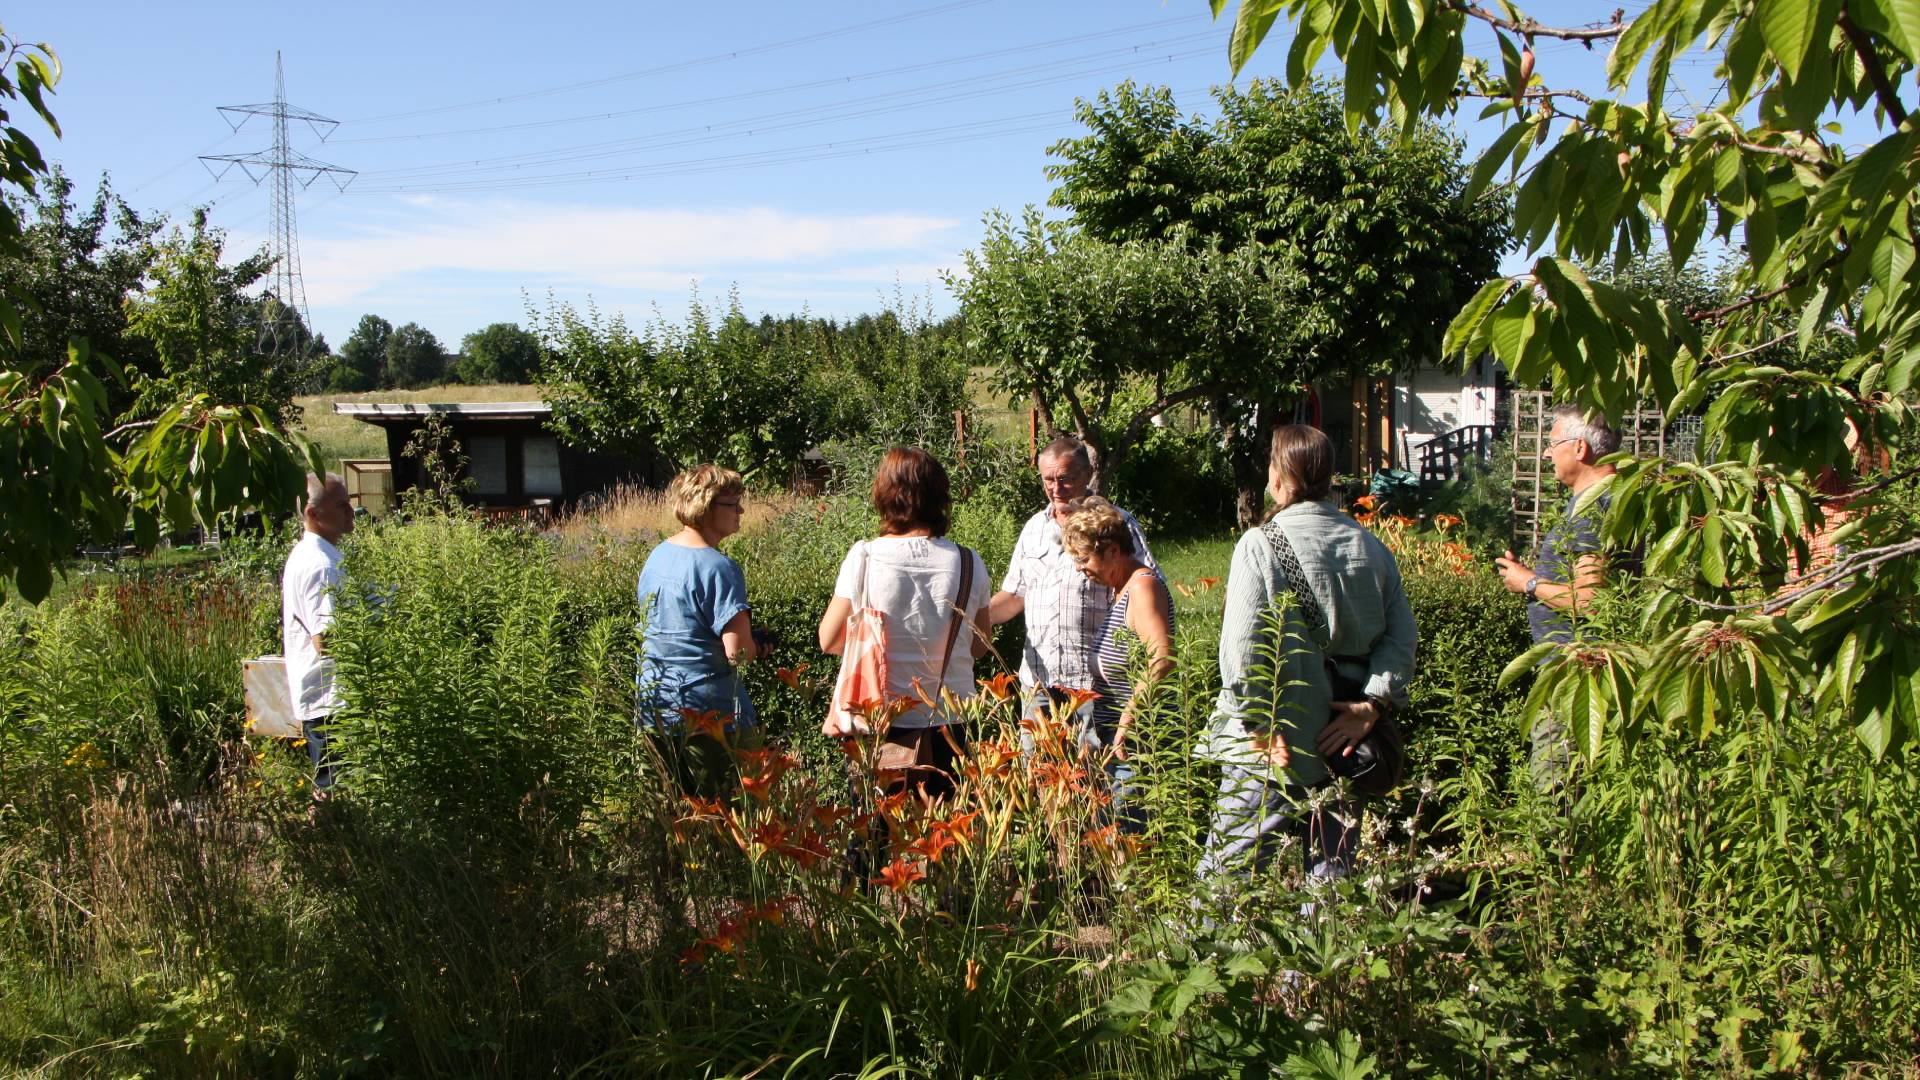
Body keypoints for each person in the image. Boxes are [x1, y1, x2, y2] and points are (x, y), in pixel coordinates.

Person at [1199, 425, 1416, 884]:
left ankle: (1207, 957)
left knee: (1227, 878)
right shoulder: (1371, 547)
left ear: (1279, 479)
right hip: (1344, 745)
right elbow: (1401, 641)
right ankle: (1319, 959)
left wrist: (1258, 725)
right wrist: (1371, 706)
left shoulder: (1259, 545)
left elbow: (1240, 654)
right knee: (1331, 880)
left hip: (1272, 745)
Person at [819, 447, 991, 801]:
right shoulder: (969, 562)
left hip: (878, 722)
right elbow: (980, 645)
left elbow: (830, 639)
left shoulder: (864, 557)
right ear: (940, 498)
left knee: (877, 838)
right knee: (946, 839)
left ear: (884, 494)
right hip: (951, 721)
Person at [1494, 405, 1622, 791]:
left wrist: (1530, 583)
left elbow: (1591, 599)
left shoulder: (1593, 509)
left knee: (1557, 796)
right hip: (1582, 671)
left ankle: (1556, 852)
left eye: (1553, 444)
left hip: (1577, 678)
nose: (1547, 454)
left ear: (1579, 449)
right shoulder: (1610, 498)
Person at [989, 436, 1155, 721]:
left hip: (1094, 687)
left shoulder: (1116, 525)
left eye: (1065, 479)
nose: (1056, 489)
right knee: (1037, 765)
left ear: (1088, 474)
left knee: (1093, 766)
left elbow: (1146, 586)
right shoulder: (1034, 529)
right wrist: (971, 617)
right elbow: (1014, 596)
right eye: (1048, 481)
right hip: (1039, 684)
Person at [635, 464, 762, 797]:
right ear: (707, 507)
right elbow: (738, 651)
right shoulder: (720, 568)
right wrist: (759, 644)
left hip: (656, 705)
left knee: (676, 817)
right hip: (709, 713)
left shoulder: (657, 556)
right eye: (733, 504)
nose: (741, 511)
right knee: (730, 813)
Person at [1061, 496, 1175, 832]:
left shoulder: (1142, 588)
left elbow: (1162, 657)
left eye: (1084, 559)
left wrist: (1129, 716)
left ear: (1113, 550)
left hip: (1138, 742)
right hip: (1115, 740)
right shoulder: (1119, 589)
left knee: (1131, 836)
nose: (1080, 569)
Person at [282, 473, 356, 799]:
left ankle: (324, 843)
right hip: (331, 701)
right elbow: (326, 639)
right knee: (335, 792)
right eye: (341, 505)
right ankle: (323, 843)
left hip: (332, 698)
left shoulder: (320, 555)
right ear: (313, 514)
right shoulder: (319, 564)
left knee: (335, 789)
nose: (351, 511)